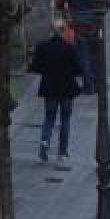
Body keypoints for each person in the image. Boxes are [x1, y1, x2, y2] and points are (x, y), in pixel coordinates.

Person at [29, 19, 82, 165]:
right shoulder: (70, 48)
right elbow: (79, 69)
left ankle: (45, 143)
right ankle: (62, 152)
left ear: (52, 30)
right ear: (63, 30)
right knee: (65, 120)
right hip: (66, 90)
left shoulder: (43, 47)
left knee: (49, 118)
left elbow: (35, 67)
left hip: (50, 89)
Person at [55, 0, 108, 95]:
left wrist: (65, 14)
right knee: (95, 54)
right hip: (94, 24)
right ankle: (97, 82)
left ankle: (89, 85)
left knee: (83, 55)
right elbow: (106, 3)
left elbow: (59, 1)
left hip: (78, 25)